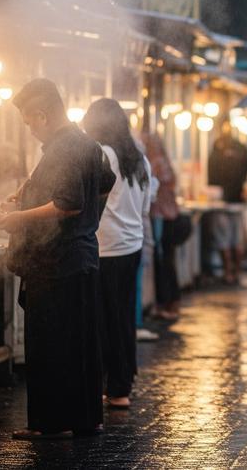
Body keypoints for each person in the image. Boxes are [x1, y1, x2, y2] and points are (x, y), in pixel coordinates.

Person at [0, 78, 115, 440]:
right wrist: (29, 194)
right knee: (79, 344)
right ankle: (84, 418)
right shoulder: (86, 142)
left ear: (43, 114)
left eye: (29, 122)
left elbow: (67, 203)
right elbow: (105, 183)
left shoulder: (64, 148)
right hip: (81, 258)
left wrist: (15, 218)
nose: (30, 130)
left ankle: (50, 423)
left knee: (50, 345)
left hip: (57, 262)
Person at [83, 98, 152, 409]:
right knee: (122, 316)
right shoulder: (140, 159)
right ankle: (122, 384)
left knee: (102, 320)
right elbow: (146, 207)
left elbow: (90, 201)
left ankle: (111, 384)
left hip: (105, 245)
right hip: (132, 245)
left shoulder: (103, 155)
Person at [145, 132, 183, 320]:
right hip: (168, 215)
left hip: (161, 215)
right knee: (167, 259)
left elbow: (153, 187)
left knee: (162, 259)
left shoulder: (155, 162)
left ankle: (165, 303)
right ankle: (171, 301)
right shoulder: (163, 160)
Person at [208, 130, 247, 286]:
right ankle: (237, 272)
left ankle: (228, 273)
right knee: (237, 239)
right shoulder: (243, 149)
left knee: (223, 239)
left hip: (222, 201)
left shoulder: (215, 152)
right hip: (238, 201)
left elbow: (211, 179)